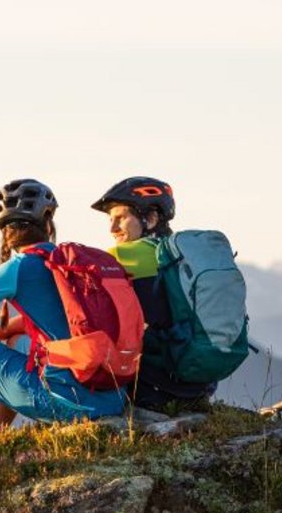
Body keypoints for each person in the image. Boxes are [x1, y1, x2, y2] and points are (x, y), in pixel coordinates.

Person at [0, 179, 130, 437]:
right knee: (17, 341)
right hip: (113, 397)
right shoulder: (66, 263)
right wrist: (2, 330)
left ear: (5, 231)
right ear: (48, 223)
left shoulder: (17, 268)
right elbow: (68, 318)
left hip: (67, 405)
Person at [91, 176, 214, 411]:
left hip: (152, 388)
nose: (112, 228)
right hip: (199, 384)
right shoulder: (186, 254)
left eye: (121, 218)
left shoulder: (119, 255)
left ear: (151, 218)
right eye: (110, 219)